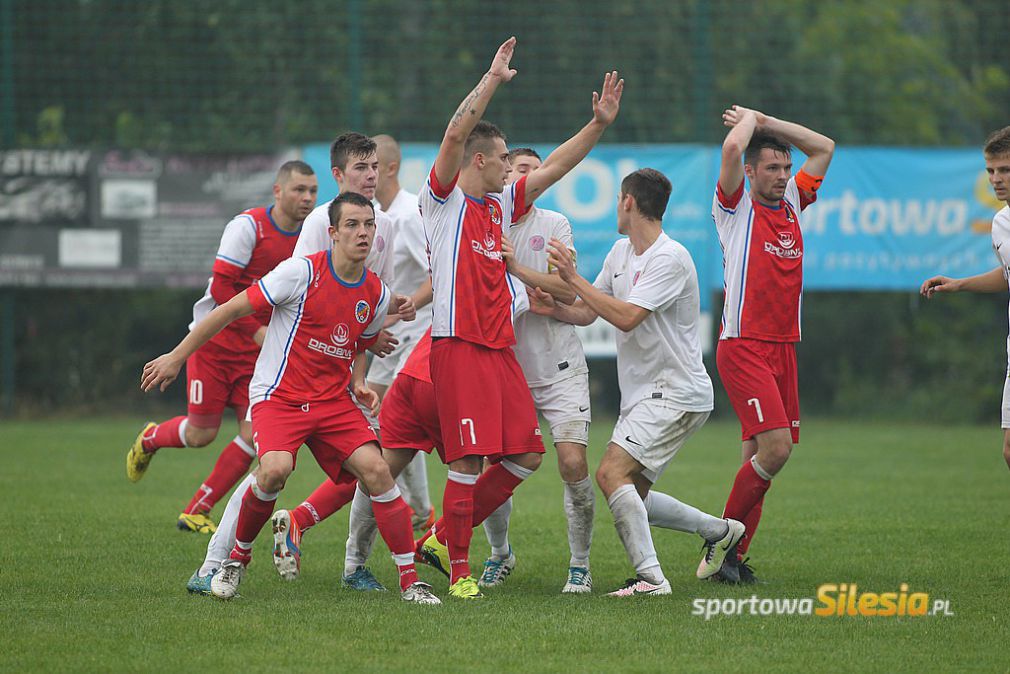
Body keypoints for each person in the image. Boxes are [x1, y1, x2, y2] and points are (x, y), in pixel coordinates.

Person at [141, 192, 438, 605]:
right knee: (274, 470)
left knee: (378, 470)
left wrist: (360, 381)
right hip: (279, 397)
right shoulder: (299, 273)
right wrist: (177, 356)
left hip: (332, 402)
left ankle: (411, 582)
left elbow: (357, 341)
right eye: (352, 225)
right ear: (332, 233)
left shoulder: (376, 292)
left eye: (368, 225)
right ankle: (235, 561)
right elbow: (229, 309)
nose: (363, 233)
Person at [415, 36, 623, 599]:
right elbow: (456, 133)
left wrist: (598, 124)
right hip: (457, 346)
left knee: (527, 454)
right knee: (466, 463)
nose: (513, 167)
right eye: (505, 158)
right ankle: (459, 571)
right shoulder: (444, 202)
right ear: (478, 161)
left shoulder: (498, 206)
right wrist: (490, 79)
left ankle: (439, 537)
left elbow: (555, 165)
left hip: (499, 349)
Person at [530, 168, 743, 596]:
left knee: (610, 474)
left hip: (676, 391)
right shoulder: (620, 252)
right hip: (650, 394)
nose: (615, 208)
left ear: (628, 202)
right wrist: (553, 308)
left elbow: (627, 316)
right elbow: (590, 311)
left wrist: (571, 279)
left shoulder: (670, 257)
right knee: (633, 494)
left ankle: (650, 578)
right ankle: (720, 532)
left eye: (617, 200)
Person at [125, 161, 318, 534]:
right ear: (278, 191)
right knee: (201, 434)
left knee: (253, 437)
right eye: (299, 190)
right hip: (213, 347)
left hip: (259, 358)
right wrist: (255, 331)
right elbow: (221, 289)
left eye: (312, 190)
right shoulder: (248, 226)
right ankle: (151, 438)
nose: (307, 198)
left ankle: (197, 509)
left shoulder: (309, 237)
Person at [706, 106, 834, 583]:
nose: (783, 176)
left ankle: (732, 562)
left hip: (783, 347)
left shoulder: (795, 203)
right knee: (777, 449)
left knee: (758, 464)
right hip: (743, 344)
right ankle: (721, 540)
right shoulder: (734, 207)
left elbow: (824, 148)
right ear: (751, 173)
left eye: (785, 168)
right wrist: (751, 124)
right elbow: (733, 147)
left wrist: (769, 121)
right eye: (773, 168)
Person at [477, 147, 595, 593]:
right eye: (514, 169)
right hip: (507, 368)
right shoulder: (486, 221)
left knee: (572, 461)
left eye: (530, 170)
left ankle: (580, 564)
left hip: (559, 365)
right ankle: (500, 554)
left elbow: (567, 290)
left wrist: (515, 268)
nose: (522, 176)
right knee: (496, 465)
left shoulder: (554, 225)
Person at [920, 125, 1010, 473]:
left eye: (1005, 170)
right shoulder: (1001, 222)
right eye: (991, 171)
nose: (996, 179)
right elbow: (1006, 275)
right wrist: (959, 284)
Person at [367, 134, 436, 533]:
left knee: (391, 420)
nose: (368, 174)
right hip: (391, 336)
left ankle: (420, 510)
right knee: (372, 415)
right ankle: (419, 509)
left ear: (390, 168)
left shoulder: (411, 213)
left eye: (373, 166)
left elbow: (436, 274)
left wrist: (406, 305)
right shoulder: (377, 213)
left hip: (418, 333)